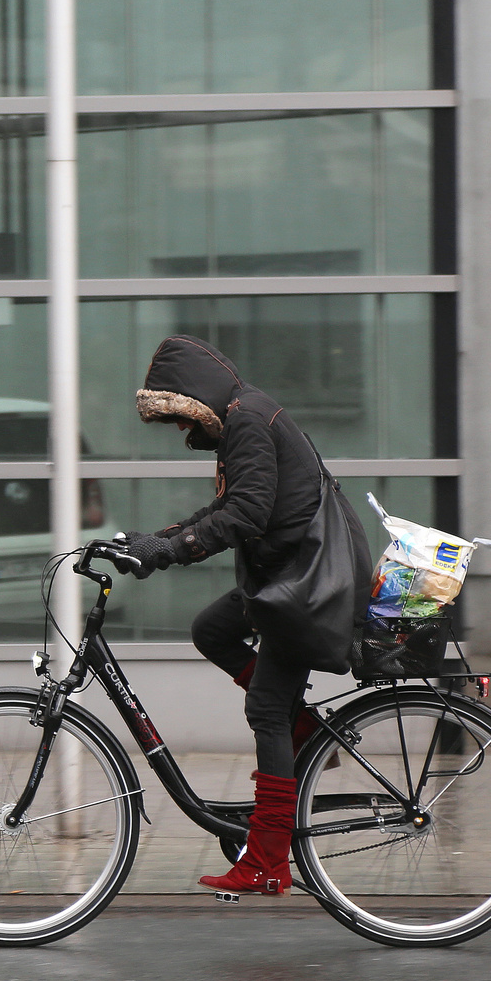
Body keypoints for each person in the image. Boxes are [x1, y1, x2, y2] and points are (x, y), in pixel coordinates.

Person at [117, 334, 371, 896]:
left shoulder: (248, 420)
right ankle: (305, 731)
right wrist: (158, 541)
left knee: (265, 710)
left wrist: (170, 550)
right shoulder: (243, 418)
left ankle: (267, 860)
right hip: (288, 580)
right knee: (211, 630)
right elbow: (229, 507)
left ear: (194, 398)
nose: (184, 433)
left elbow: (248, 515)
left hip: (305, 587)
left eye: (182, 419)